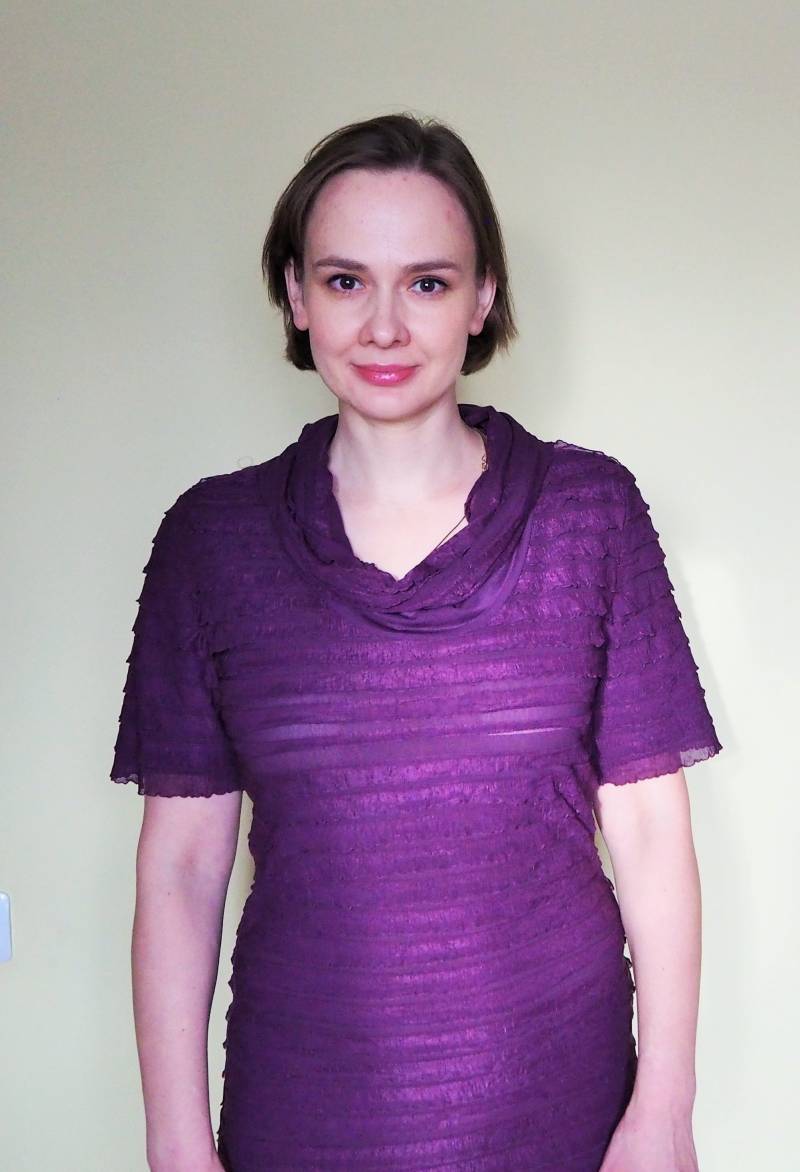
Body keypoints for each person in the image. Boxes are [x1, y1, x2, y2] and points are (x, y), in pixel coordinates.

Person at [110, 112, 723, 1172]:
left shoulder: (589, 515)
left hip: (563, 1109)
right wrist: (175, 1141)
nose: (384, 326)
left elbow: (649, 830)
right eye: (346, 280)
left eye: (427, 282)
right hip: (304, 1108)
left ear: (482, 297)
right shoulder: (212, 541)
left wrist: (664, 1107)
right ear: (296, 296)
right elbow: (182, 866)